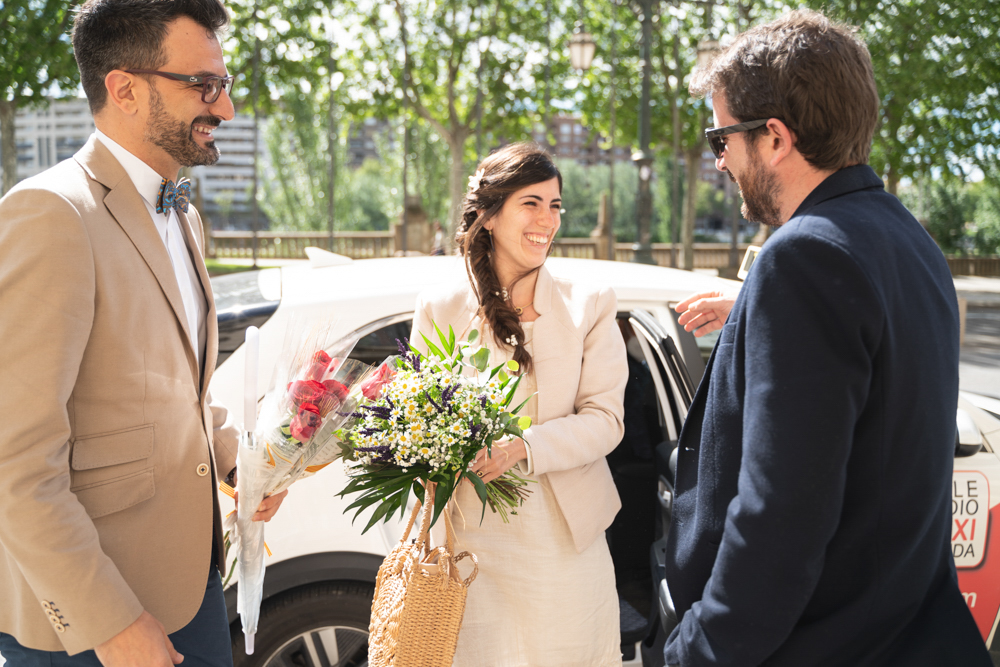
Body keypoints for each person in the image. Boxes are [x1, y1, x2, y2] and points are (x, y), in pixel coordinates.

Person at [663, 10, 990, 666]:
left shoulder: (803, 258)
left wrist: (699, 650)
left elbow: (779, 520)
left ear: (776, 137)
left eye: (720, 136)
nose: (721, 158)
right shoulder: (912, 241)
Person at [0, 1, 286, 665]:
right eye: (204, 86)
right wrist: (110, 621)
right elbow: (14, 457)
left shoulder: (184, 216)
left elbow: (169, 389)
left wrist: (236, 458)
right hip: (92, 626)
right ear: (124, 88)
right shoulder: (50, 214)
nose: (228, 108)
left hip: (191, 594)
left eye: (225, 85)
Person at [410, 143, 628, 666]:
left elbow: (607, 420)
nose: (547, 220)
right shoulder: (440, 305)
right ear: (490, 215)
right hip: (466, 549)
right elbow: (417, 418)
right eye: (531, 203)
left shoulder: (590, 301)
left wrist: (522, 447)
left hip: (565, 548)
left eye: (555, 206)